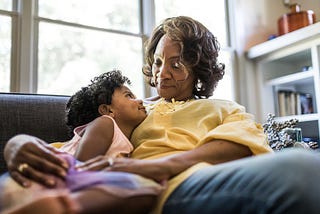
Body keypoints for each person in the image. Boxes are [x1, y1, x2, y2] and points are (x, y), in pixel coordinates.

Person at [4, 16, 320, 214]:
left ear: (199, 71)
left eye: (176, 65)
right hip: (126, 190)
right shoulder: (133, 110)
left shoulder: (224, 108)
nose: (162, 74)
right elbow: (76, 147)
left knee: (303, 167)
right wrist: (16, 144)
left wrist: (150, 166)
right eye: (157, 62)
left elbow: (239, 147)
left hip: (189, 181)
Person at [0, 70, 163, 214]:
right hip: (56, 173)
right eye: (129, 96)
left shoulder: (124, 138)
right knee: (146, 189)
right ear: (107, 110)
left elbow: (154, 100)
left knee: (146, 190)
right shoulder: (105, 123)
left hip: (54, 184)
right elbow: (82, 164)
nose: (140, 101)